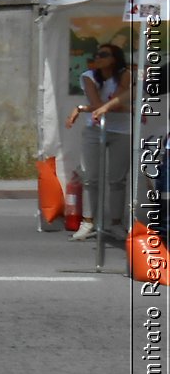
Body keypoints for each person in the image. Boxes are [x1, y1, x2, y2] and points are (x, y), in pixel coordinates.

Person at [66, 44, 131, 241]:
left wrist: (81, 108)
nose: (98, 58)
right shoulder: (89, 76)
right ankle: (88, 221)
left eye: (103, 55)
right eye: (96, 54)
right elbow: (99, 105)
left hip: (121, 131)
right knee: (90, 178)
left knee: (117, 180)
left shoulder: (125, 75)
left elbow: (117, 100)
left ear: (114, 58)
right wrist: (90, 107)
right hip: (95, 130)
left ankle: (116, 223)